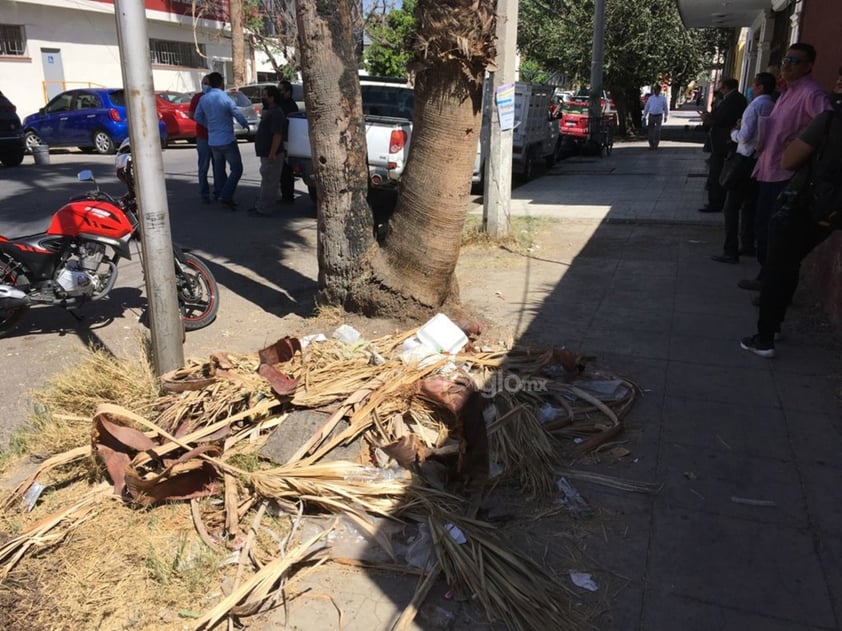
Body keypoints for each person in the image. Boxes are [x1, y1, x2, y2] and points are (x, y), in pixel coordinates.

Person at [740, 68, 842, 358]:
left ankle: (765, 337)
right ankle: (777, 320)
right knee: (791, 261)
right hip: (831, 210)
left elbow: (789, 160)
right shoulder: (801, 100)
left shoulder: (827, 118)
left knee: (778, 264)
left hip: (805, 199)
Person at [737, 43, 831, 292]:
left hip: (787, 175)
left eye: (795, 61)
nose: (787, 65)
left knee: (778, 236)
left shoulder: (812, 94)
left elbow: (827, 128)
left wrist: (803, 143)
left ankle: (774, 288)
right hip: (767, 168)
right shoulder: (786, 92)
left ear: (809, 66)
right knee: (763, 229)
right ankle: (765, 278)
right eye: (785, 60)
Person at [711, 72, 777, 264]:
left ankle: (730, 250)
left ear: (761, 87)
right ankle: (748, 244)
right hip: (760, 161)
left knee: (731, 207)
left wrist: (734, 132)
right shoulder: (772, 105)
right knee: (749, 205)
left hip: (745, 159)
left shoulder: (754, 106)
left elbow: (745, 136)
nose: (752, 88)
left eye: (754, 85)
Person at [193, 72, 250, 209]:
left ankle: (222, 194)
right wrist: (245, 124)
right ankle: (226, 194)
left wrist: (208, 125)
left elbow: (197, 116)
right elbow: (236, 112)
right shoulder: (224, 97)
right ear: (220, 83)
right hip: (227, 139)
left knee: (219, 169)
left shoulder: (204, 99)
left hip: (213, 140)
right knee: (237, 168)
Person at [699, 78, 747, 213]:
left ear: (725, 87)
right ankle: (715, 200)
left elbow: (722, 120)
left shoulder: (734, 100)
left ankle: (716, 202)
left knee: (717, 171)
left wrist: (708, 120)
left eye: (720, 87)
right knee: (715, 170)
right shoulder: (727, 99)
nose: (718, 90)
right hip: (720, 142)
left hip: (723, 142)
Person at [249, 86, 287, 217]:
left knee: (269, 181)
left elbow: (277, 134)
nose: (263, 97)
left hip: (272, 154)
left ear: (272, 97)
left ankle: (265, 208)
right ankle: (265, 205)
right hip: (266, 152)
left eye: (266, 95)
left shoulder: (276, 113)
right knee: (268, 180)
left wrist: (272, 153)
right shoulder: (271, 111)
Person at [188, 74, 219, 204]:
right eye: (203, 83)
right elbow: (191, 114)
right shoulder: (197, 97)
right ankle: (204, 193)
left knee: (218, 166)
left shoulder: (216, 96)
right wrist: (203, 121)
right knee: (203, 166)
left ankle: (219, 192)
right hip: (203, 137)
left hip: (216, 137)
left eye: (206, 82)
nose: (204, 85)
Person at [277, 79, 300, 204]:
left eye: (281, 90)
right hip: (284, 141)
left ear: (288, 92)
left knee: (286, 171)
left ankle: (287, 196)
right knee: (283, 171)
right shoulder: (282, 104)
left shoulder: (289, 106)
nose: (278, 93)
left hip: (286, 141)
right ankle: (286, 195)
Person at [641, 84, 668, 149]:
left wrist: (665, 116)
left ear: (659, 90)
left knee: (657, 131)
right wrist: (644, 116)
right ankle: (651, 144)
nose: (655, 91)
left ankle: (656, 144)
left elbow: (665, 107)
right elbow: (647, 107)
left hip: (659, 116)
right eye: (654, 90)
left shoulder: (663, 98)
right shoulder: (651, 98)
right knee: (650, 131)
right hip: (651, 115)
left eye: (657, 90)